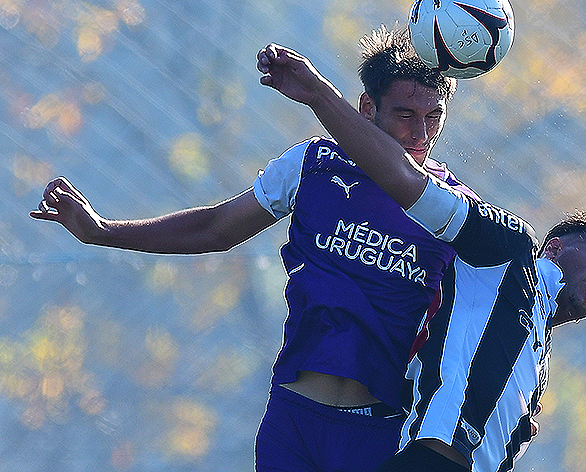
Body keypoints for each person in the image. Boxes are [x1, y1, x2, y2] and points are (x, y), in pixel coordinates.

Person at [30, 26, 479, 472]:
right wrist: (104, 231)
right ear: (366, 109)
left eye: (433, 117)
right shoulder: (313, 163)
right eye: (405, 114)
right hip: (293, 418)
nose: (420, 132)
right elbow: (216, 228)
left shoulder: (456, 211)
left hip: (381, 433)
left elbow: (510, 305)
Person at [257, 43, 586, 472]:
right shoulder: (504, 250)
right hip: (358, 433)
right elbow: (401, 177)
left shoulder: (534, 350)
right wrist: (318, 93)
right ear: (554, 247)